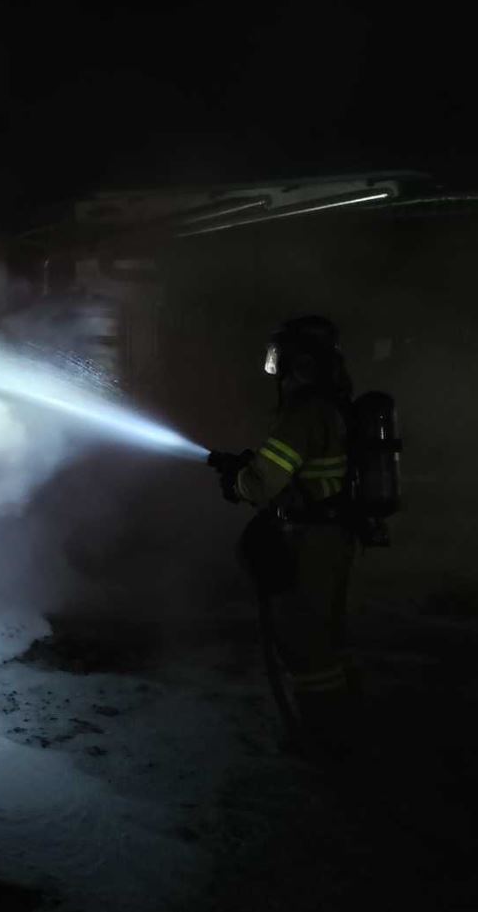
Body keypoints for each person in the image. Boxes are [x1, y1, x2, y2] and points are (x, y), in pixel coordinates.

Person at [210, 316, 357, 756]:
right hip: (331, 534)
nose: (276, 368)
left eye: (280, 358)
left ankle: (323, 738)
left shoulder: (304, 412)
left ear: (302, 360)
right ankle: (338, 724)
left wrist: (238, 481)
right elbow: (297, 472)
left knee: (305, 641)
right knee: (324, 636)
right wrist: (246, 468)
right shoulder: (332, 407)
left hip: (311, 539)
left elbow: (263, 483)